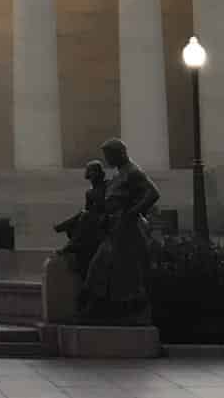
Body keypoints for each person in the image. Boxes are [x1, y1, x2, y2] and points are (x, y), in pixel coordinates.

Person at [80, 138, 160, 323]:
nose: (106, 160)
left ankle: (113, 311)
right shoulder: (120, 174)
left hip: (128, 229)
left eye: (109, 155)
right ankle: (99, 308)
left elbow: (153, 193)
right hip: (116, 227)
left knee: (118, 270)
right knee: (101, 266)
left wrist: (133, 212)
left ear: (120, 153)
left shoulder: (133, 172)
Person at [54, 160, 107, 280]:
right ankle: (66, 230)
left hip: (103, 218)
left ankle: (69, 240)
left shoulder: (107, 186)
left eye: (93, 172)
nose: (91, 175)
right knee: (84, 215)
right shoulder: (89, 192)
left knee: (85, 215)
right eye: (90, 172)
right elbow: (87, 209)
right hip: (93, 220)